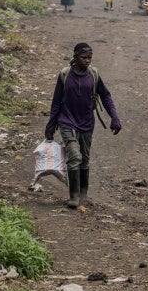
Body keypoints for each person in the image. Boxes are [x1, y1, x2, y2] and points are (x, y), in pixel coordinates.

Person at [44, 43, 122, 208]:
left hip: (86, 122)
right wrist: (51, 124)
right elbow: (56, 101)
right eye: (83, 57)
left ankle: (83, 193)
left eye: (89, 58)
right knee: (74, 156)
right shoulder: (65, 75)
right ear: (75, 56)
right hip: (66, 121)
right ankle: (73, 196)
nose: (87, 60)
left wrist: (114, 117)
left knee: (84, 159)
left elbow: (106, 96)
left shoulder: (93, 75)